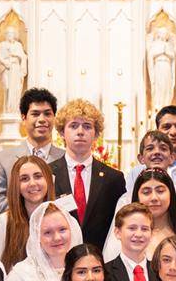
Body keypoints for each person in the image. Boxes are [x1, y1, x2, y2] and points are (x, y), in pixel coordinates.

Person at [102, 168, 176, 281]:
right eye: (146, 192)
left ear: (171, 194)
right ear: (137, 196)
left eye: (160, 191)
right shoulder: (126, 236)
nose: (154, 198)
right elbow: (110, 274)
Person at [49, 98, 127, 249]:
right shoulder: (47, 174)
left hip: (99, 258)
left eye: (87, 126)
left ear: (96, 134)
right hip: (57, 256)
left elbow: (120, 223)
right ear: (61, 133)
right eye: (73, 126)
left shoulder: (113, 178)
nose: (80, 132)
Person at [0, 87, 65, 219]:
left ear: (54, 118)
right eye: (35, 114)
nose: (42, 119)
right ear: (24, 118)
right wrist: (31, 201)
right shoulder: (3, 159)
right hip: (17, 235)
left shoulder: (65, 158)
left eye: (47, 114)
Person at [3, 202, 82, 281]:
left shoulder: (85, 271)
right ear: (37, 236)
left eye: (62, 230)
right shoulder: (22, 274)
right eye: (47, 233)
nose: (56, 238)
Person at [0, 155, 57, 272]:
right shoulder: (3, 222)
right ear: (16, 185)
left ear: (48, 180)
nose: (32, 183)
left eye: (38, 176)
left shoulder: (65, 221)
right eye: (24, 179)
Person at [119, 130, 176, 220]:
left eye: (163, 148)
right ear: (141, 158)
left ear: (172, 157)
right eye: (150, 148)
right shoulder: (126, 200)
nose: (157, 152)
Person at [103, 203, 160, 281]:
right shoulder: (105, 273)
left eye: (144, 229)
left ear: (151, 233)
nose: (138, 234)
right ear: (117, 232)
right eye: (132, 228)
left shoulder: (160, 271)